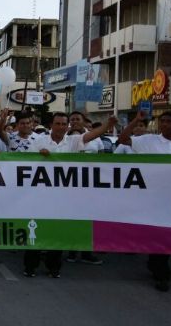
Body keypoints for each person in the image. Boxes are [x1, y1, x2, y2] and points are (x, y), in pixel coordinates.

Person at [24, 112, 117, 278]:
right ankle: (30, 266)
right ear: (51, 125)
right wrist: (38, 156)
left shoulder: (74, 141)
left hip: (62, 198)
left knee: (57, 233)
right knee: (36, 231)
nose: (60, 127)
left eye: (63, 124)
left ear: (67, 126)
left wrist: (108, 125)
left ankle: (54, 267)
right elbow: (24, 164)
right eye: (57, 124)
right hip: (40, 196)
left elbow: (93, 134)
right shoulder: (38, 142)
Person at [119, 110, 171, 292]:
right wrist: (135, 121)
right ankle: (161, 272)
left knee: (168, 235)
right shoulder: (147, 141)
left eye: (169, 121)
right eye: (162, 121)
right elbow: (123, 139)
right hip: (152, 198)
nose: (164, 125)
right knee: (157, 234)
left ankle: (159, 266)